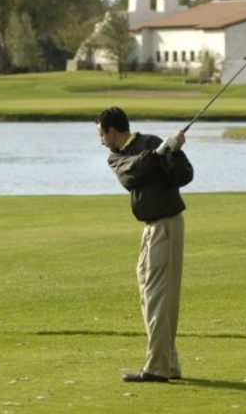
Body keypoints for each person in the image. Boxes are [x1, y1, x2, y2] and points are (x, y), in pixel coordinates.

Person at [95, 106, 194, 383]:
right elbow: (131, 175)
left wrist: (175, 152)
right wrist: (159, 153)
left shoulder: (150, 142)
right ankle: (169, 364)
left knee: (158, 297)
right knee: (154, 296)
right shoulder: (117, 157)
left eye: (101, 135)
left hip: (167, 223)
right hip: (153, 228)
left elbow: (184, 176)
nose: (100, 141)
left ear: (112, 132)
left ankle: (157, 367)